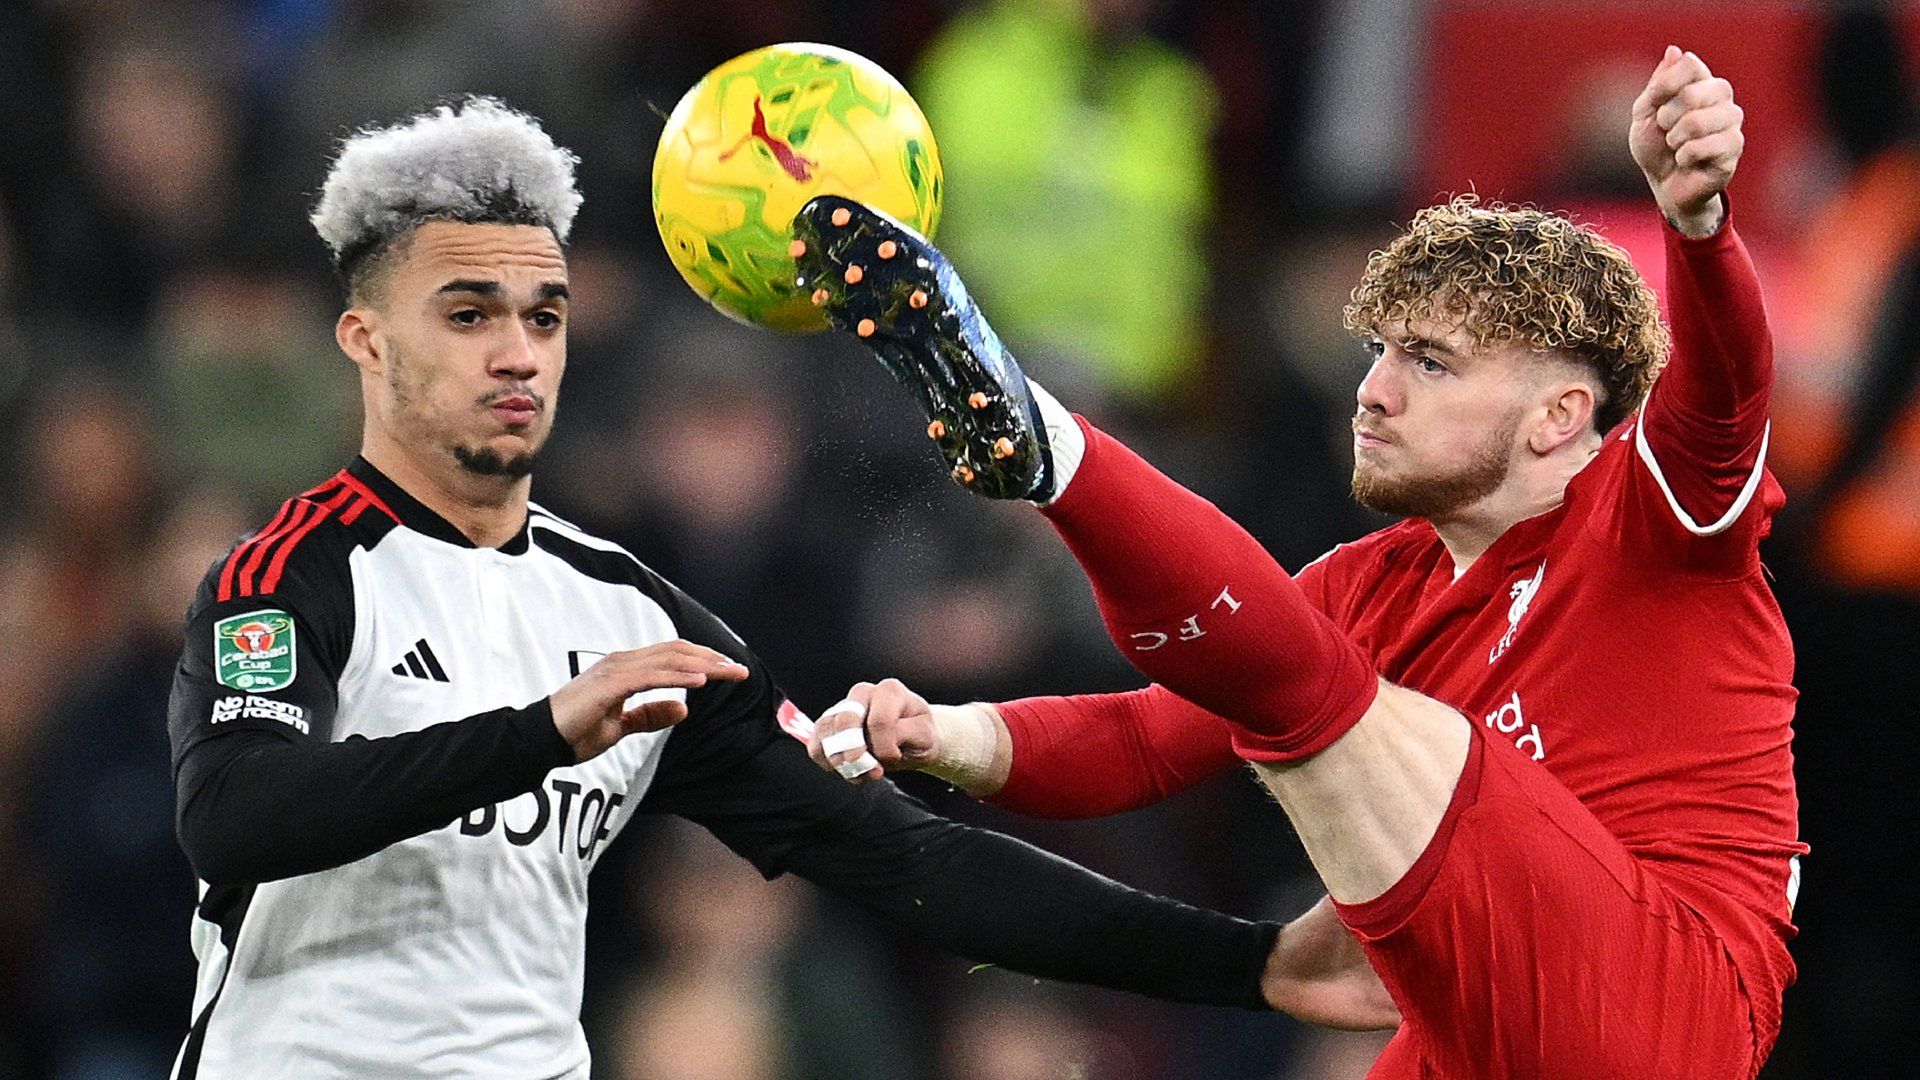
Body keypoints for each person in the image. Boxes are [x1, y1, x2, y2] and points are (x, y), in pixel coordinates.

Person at [164, 96, 1361, 1079]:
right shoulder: (287, 577)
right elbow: (238, 816)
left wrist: (1250, 964)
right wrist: (542, 732)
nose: (517, 351)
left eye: (544, 314)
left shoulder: (629, 619)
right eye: (467, 314)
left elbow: (913, 864)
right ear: (366, 340)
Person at [798, 47, 1800, 1077]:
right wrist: (945, 733)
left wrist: (1700, 229)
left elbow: (1725, 398)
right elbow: (1145, 740)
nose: (1373, 393)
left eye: (1429, 362)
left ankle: (1047, 447)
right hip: (1475, 1043)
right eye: (1377, 354)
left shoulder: (1656, 523)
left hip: (1663, 1017)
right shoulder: (1368, 584)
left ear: (1561, 416)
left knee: (1315, 687)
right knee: (1297, 673)